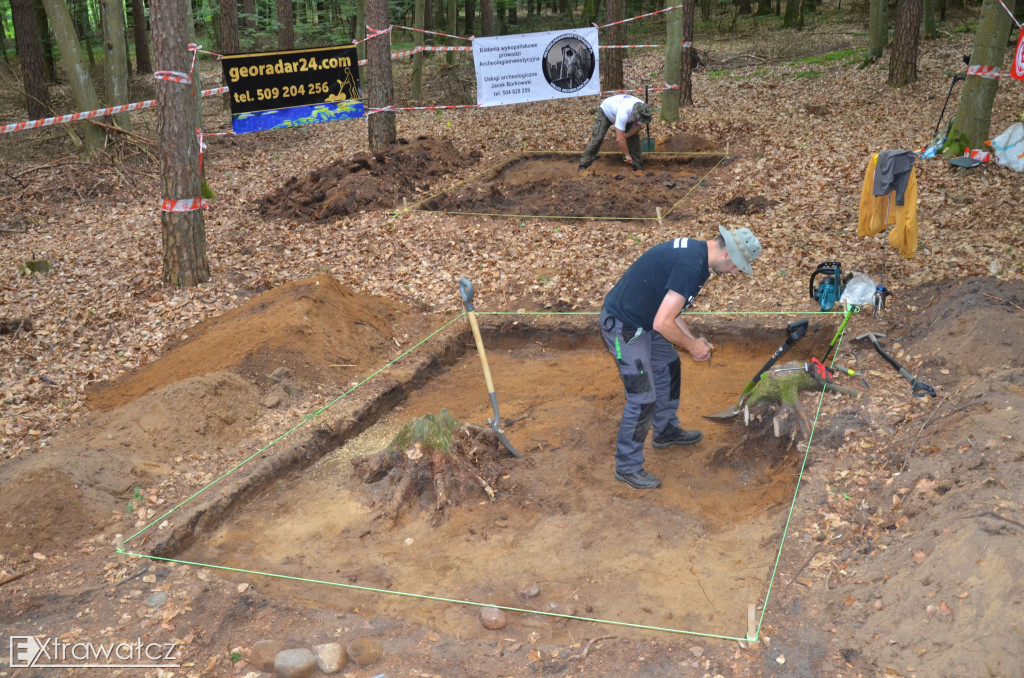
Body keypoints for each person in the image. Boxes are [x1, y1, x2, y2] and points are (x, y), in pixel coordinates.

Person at [599, 227, 762, 490]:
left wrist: (693, 343)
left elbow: (670, 312)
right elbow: (663, 323)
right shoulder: (691, 265)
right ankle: (627, 466)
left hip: (646, 320)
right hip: (624, 326)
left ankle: (665, 431)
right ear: (727, 254)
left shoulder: (697, 257)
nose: (734, 273)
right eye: (737, 267)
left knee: (669, 365)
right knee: (642, 398)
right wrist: (691, 346)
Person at [578, 94, 652, 172]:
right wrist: (626, 155)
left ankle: (637, 167)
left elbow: (638, 126)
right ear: (635, 114)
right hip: (606, 112)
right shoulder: (624, 113)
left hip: (625, 115)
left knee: (634, 139)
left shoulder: (643, 110)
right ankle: (584, 165)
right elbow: (619, 139)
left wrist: (626, 136)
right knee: (597, 138)